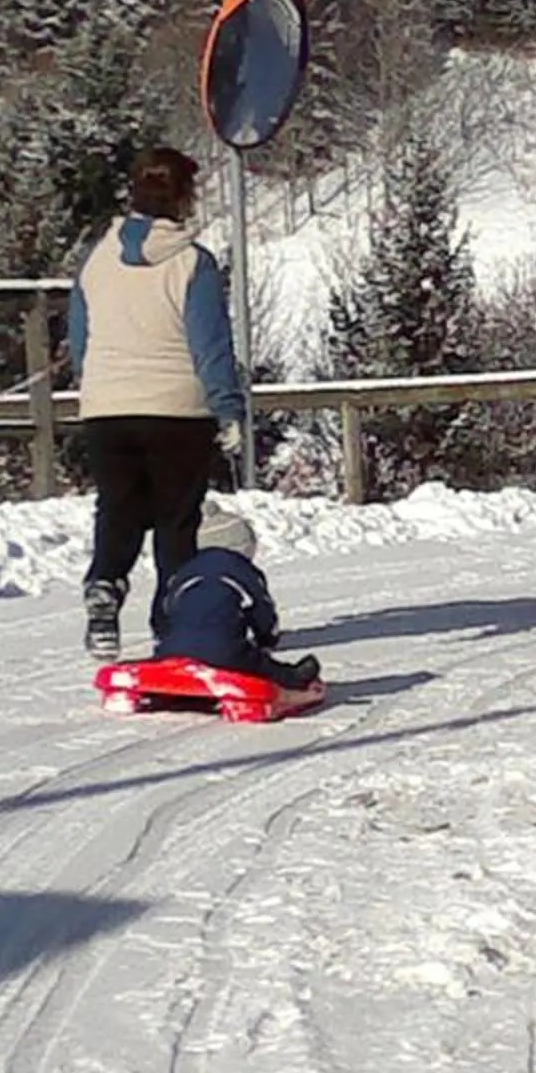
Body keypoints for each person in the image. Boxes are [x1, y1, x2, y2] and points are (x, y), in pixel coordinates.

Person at [69, 146, 247, 659]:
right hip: (177, 410)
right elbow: (209, 345)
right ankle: (172, 625)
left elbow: (82, 338)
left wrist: (100, 385)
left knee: (118, 509)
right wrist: (227, 408)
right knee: (175, 520)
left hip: (106, 407)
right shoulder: (194, 263)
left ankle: (105, 584)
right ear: (185, 198)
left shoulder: (97, 260)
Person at [154, 508, 322, 691]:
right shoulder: (243, 572)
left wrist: (168, 640)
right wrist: (267, 640)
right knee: (257, 663)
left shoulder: (183, 572)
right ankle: (293, 679)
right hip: (222, 652)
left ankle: (164, 676)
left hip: (171, 651)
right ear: (241, 546)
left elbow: (165, 610)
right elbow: (262, 611)